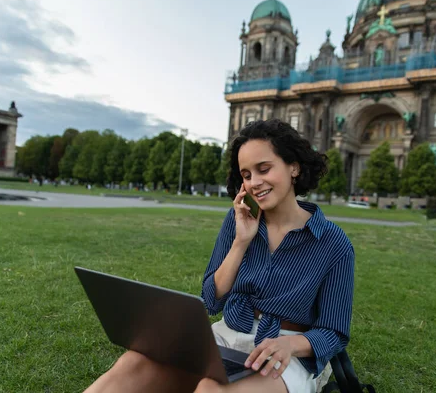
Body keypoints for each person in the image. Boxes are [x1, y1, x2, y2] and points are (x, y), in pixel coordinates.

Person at [83, 119, 355, 393]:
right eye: (246, 175)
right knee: (135, 363)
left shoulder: (333, 243)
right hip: (228, 334)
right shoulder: (238, 220)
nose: (254, 183)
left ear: (293, 167)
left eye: (264, 169)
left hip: (287, 352)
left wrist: (290, 345)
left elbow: (334, 332)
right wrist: (240, 242)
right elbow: (212, 300)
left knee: (210, 390)